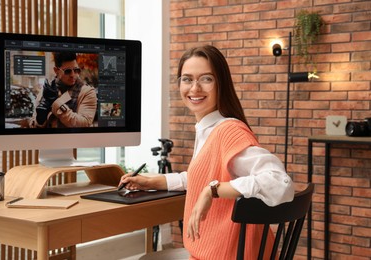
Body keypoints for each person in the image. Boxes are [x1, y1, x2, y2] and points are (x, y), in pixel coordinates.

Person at [119, 45, 295, 259]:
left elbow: (280, 182)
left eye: (206, 79)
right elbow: (202, 175)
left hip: (224, 254)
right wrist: (152, 182)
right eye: (187, 79)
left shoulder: (228, 130)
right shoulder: (209, 129)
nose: (194, 88)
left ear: (221, 84)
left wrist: (212, 190)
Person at [30, 52, 97, 128]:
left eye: (76, 70)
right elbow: (33, 125)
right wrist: (40, 120)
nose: (73, 75)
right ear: (56, 70)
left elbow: (84, 124)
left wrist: (56, 103)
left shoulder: (87, 92)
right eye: (67, 71)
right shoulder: (47, 90)